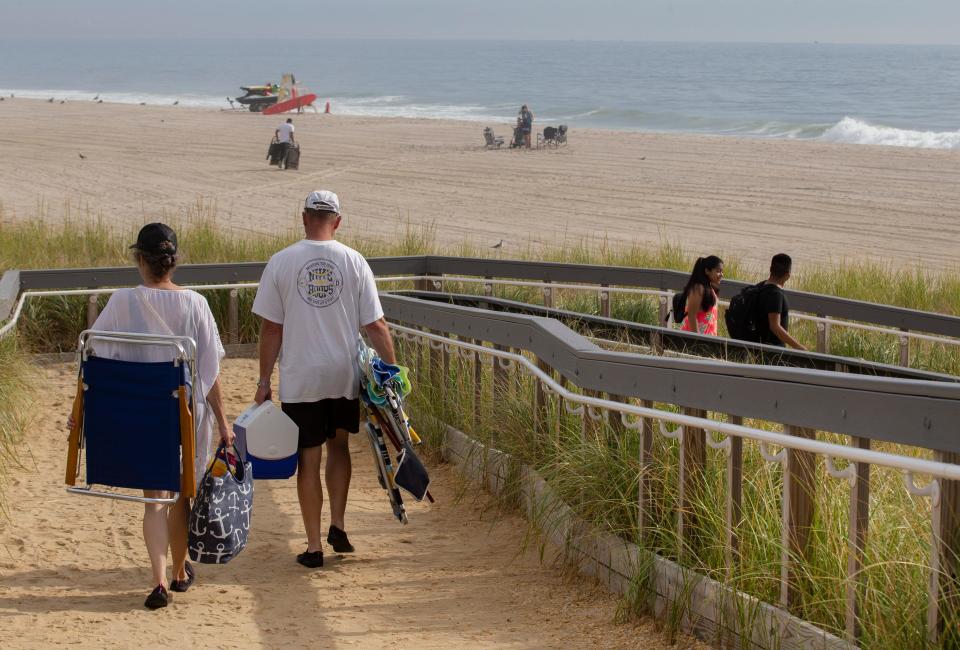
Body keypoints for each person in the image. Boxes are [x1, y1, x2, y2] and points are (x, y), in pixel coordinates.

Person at [66, 223, 232, 610]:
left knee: (155, 498)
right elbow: (210, 373)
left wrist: (81, 412)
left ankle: (160, 580)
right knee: (178, 492)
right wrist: (224, 423)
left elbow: (93, 361)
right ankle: (179, 571)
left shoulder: (122, 301)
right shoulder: (196, 304)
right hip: (182, 418)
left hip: (139, 415)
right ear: (173, 263)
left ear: (140, 260)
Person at [252, 190, 397, 569]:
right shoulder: (354, 261)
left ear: (304, 218)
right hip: (342, 373)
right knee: (340, 447)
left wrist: (264, 379)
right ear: (338, 221)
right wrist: (392, 372)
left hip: (302, 376)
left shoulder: (281, 261)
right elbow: (376, 325)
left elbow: (271, 329)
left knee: (308, 457)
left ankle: (314, 545)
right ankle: (339, 524)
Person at [756, 253, 806, 350]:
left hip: (757, 345)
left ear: (770, 269)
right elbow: (775, 326)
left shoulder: (759, 286)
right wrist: (799, 347)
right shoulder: (776, 295)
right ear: (787, 275)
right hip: (771, 351)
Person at [679, 256, 723, 335]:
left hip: (707, 339)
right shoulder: (698, 288)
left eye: (722, 271)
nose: (721, 274)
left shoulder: (710, 288)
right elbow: (691, 316)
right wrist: (697, 340)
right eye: (718, 271)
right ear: (707, 271)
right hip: (694, 339)